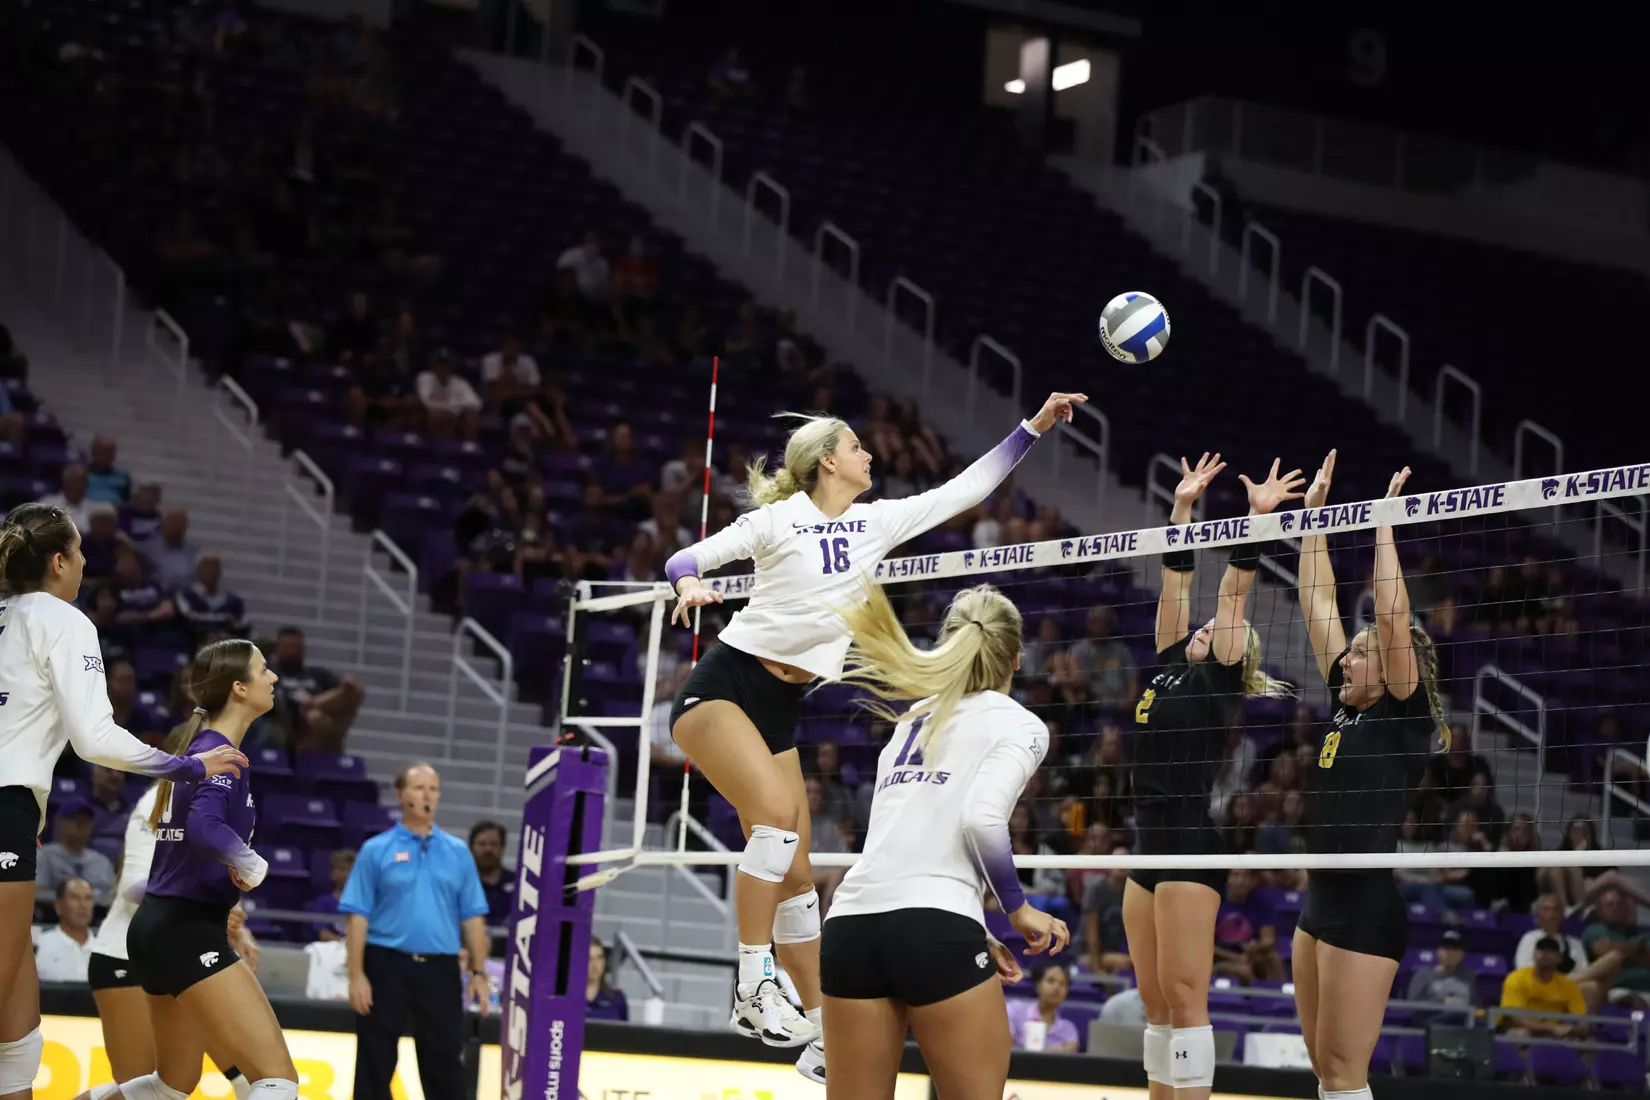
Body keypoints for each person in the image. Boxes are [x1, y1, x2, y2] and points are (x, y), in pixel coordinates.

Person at [664, 393, 1084, 1078]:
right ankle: (750, 984)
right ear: (830, 459)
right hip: (724, 686)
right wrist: (689, 587)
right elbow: (688, 558)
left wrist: (1031, 428)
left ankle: (822, 1028)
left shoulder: (875, 524)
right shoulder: (780, 521)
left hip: (779, 707)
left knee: (798, 876)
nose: (869, 455)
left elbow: (965, 488)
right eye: (857, 447)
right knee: (772, 825)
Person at [0, 502, 245, 1098]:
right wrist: (184, 765)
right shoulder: (63, 619)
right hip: (5, 809)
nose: (85, 564)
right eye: (80, 553)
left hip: (15, 813)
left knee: (17, 1020)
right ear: (58, 562)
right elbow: (94, 739)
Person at [815, 581, 1067, 1098]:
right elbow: (981, 820)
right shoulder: (1021, 724)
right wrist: (1017, 910)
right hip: (933, 928)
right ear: (1016, 659)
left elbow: (905, 842)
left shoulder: (912, 718)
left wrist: (972, 924)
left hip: (852, 926)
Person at [1123, 453, 1301, 1100]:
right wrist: (1182, 510)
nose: (1203, 627)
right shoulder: (1170, 664)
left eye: (1221, 631)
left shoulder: (1222, 677)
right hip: (1147, 843)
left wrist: (1253, 523)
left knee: (1184, 998)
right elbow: (1176, 582)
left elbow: (1231, 594)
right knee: (1154, 1004)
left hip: (1191, 843)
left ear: (1238, 653)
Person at [1293, 453, 1447, 1100]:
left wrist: (1384, 524)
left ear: (1394, 669)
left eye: (1363, 653)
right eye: (1350, 651)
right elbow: (1316, 600)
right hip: (1319, 903)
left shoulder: (1403, 717)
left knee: (1345, 1074)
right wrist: (1313, 522)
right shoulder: (1344, 702)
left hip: (1367, 908)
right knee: (1324, 1072)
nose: (1350, 656)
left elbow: (1389, 619)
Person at [117, 639, 296, 1100]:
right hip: (187, 930)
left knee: (170, 1086)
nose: (273, 677)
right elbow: (203, 828)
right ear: (239, 688)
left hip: (156, 926)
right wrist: (251, 864)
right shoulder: (222, 756)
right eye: (263, 670)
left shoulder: (203, 750)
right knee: (277, 1082)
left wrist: (230, 863)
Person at [83, 783, 255, 1098]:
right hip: (126, 955)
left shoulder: (209, 805)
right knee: (145, 1089)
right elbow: (132, 887)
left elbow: (204, 883)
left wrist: (238, 929)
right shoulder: (160, 798)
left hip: (179, 958)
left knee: (224, 1079)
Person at [340, 763, 492, 1100]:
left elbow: (473, 917)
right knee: (375, 1061)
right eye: (420, 787)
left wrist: (479, 972)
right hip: (385, 963)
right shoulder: (376, 849)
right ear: (400, 794)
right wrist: (356, 975)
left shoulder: (457, 852)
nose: (428, 795)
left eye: (433, 789)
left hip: (440, 968)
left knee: (445, 1061)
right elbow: (358, 917)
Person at [1500, 937, 1588, 1039]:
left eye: (1551, 950)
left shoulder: (1568, 985)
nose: (1545, 953)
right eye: (1541, 949)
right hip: (1521, 1028)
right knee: (1521, 1034)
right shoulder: (1516, 978)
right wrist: (1550, 1027)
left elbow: (1582, 1019)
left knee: (1587, 1042)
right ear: (1534, 955)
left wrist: (1574, 1029)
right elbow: (1516, 1017)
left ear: (1559, 958)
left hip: (1554, 1033)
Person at [36, 798, 117, 906]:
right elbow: (36, 894)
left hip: (97, 919)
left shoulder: (102, 862)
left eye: (86, 820)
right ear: (60, 823)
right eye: (74, 819)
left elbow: (113, 899)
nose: (81, 824)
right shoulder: (43, 856)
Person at [1406, 930, 1478, 1024]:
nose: (1450, 953)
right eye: (1446, 948)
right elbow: (1412, 1005)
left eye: (1455, 949)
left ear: (1462, 954)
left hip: (1463, 1024)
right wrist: (1443, 1002)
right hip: (1432, 1022)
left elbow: (1475, 1005)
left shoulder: (1469, 977)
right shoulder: (1423, 975)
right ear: (1438, 951)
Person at [34, 878, 96, 982]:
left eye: (88, 898)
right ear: (59, 906)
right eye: (75, 898)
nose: (83, 905)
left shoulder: (107, 950)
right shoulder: (39, 946)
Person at [1008, 966, 1081, 1053]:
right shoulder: (1014, 1010)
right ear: (1038, 985)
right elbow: (1003, 1047)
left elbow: (1069, 1059)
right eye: (1051, 981)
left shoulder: (1068, 1029)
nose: (1056, 987)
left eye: (1062, 984)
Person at [467, 821, 514, 927]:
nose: (488, 849)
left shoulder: (518, 885)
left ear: (502, 848)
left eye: (494, 844)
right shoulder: (459, 884)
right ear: (471, 848)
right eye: (481, 844)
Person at [586, 940, 629, 1022]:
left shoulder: (617, 999)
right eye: (589, 959)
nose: (595, 965)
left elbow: (625, 1033)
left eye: (599, 958)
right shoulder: (568, 1000)